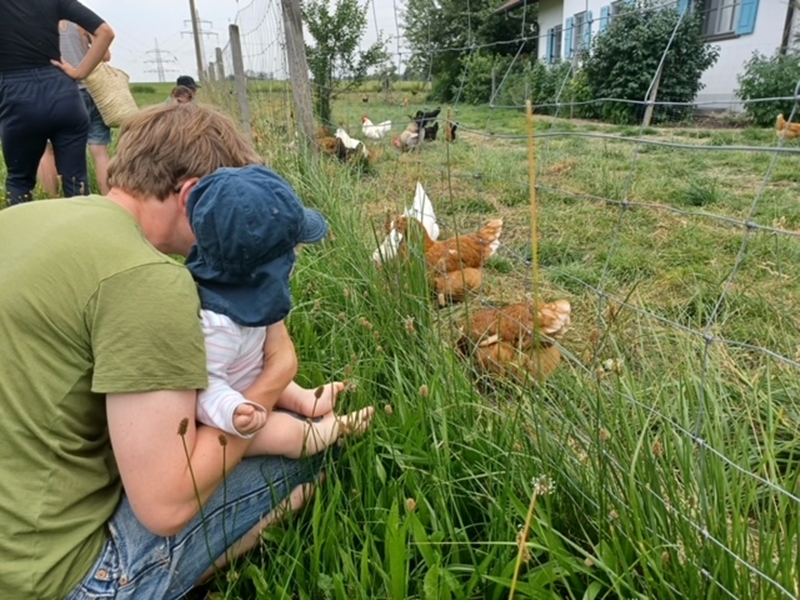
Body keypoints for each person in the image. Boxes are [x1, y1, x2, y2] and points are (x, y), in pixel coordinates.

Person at [0, 102, 373, 600]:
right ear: (195, 196)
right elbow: (164, 507)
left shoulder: (25, 216)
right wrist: (272, 380)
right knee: (306, 456)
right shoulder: (149, 283)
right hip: (51, 578)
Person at [188, 164, 374, 458]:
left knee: (269, 373)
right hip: (229, 414)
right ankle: (326, 431)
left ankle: (303, 401)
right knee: (286, 433)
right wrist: (234, 411)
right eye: (291, 258)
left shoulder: (244, 294)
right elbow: (203, 388)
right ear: (268, 271)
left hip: (248, 379)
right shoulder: (217, 324)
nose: (294, 265)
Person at [0, 1, 114, 205]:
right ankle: (82, 232)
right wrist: (81, 72)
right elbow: (105, 32)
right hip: (63, 91)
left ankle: (24, 233)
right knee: (76, 180)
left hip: (16, 93)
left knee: (19, 181)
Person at [38, 19, 114, 196]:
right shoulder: (81, 21)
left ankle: (53, 200)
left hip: (59, 92)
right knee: (100, 149)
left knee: (48, 150)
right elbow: (105, 56)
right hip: (93, 91)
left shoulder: (42, 22)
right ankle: (108, 198)